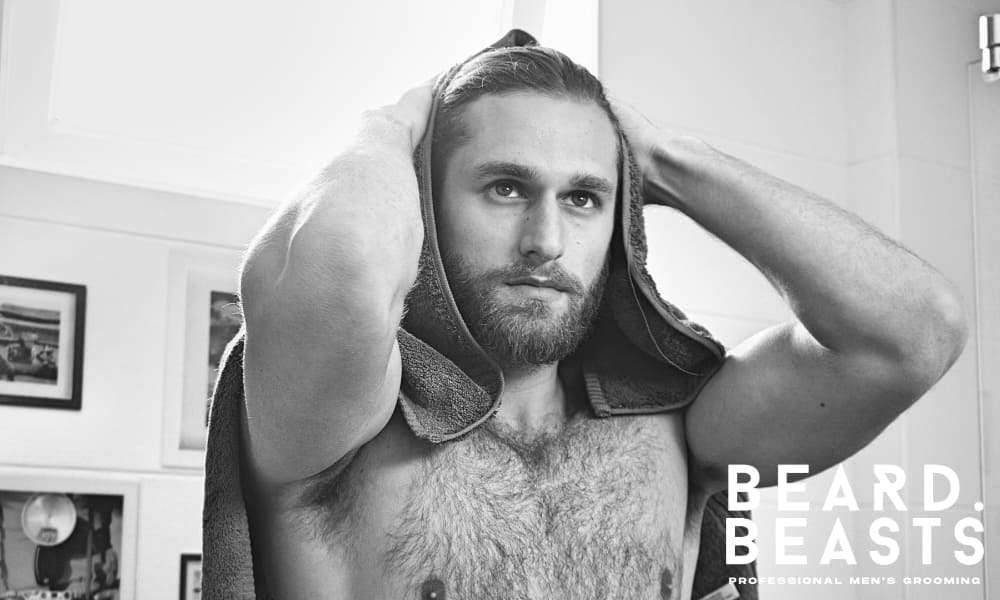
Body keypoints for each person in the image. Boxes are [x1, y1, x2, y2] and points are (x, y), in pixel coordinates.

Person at [221, 33, 967, 600]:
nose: (546, 242)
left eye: (583, 198)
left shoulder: (679, 434)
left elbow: (913, 333)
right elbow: (347, 261)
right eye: (506, 188)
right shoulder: (337, 429)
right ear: (423, 203)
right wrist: (391, 126)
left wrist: (668, 159)